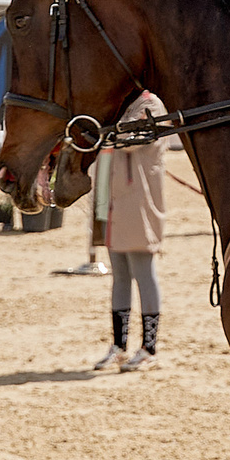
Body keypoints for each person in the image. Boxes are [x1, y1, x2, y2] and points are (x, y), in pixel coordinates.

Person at [93, 92, 169, 371]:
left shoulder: (150, 105)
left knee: (144, 274)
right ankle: (119, 346)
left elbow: (128, 140)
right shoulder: (121, 105)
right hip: (114, 204)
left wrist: (105, 128)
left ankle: (149, 348)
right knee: (121, 277)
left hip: (138, 204)